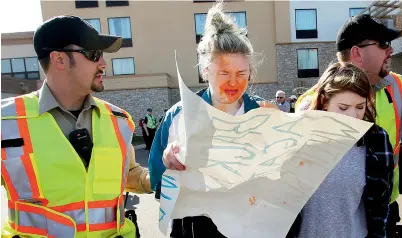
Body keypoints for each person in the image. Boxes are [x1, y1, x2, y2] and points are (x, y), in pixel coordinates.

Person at [1, 15, 151, 237]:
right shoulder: (6, 122)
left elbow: (128, 174)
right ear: (59, 59)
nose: (103, 64)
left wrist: (166, 174)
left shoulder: (118, 120)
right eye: (93, 54)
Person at [148, 3, 277, 237]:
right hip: (195, 227)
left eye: (241, 74)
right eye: (224, 73)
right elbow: (158, 184)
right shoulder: (179, 116)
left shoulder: (263, 113)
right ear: (205, 71)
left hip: (252, 224)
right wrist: (169, 167)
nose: (233, 82)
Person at [295, 14, 402, 236]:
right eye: (384, 44)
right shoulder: (308, 106)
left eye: (360, 107)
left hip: (382, 211)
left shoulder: (399, 85)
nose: (391, 51)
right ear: (357, 52)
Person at [287, 62, 394, 238]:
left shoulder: (376, 140)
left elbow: (381, 205)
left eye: (360, 107)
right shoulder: (299, 138)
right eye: (343, 108)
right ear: (324, 102)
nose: (353, 116)